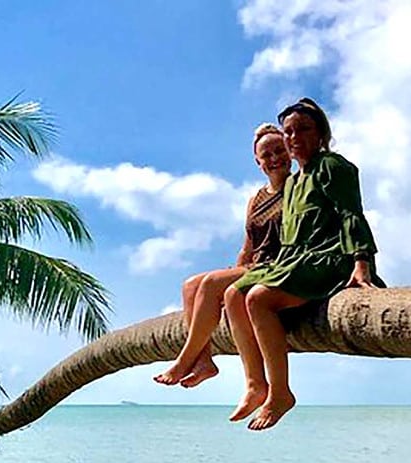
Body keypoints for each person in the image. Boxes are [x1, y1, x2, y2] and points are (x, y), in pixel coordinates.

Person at [224, 98, 385, 430]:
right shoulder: (295, 182)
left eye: (303, 130)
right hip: (294, 261)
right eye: (289, 132)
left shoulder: (333, 167)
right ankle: (256, 384)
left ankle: (280, 393)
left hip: (330, 258)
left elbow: (350, 215)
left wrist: (361, 263)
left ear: (321, 133)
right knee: (234, 293)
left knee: (258, 298)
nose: (294, 138)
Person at [153, 123, 291, 388]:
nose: (274, 159)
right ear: (257, 161)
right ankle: (204, 361)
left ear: (289, 151)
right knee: (190, 285)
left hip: (279, 265)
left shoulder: (298, 188)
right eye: (267, 155)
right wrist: (235, 272)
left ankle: (184, 361)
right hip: (255, 265)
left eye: (279, 150)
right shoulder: (256, 199)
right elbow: (248, 244)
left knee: (210, 283)